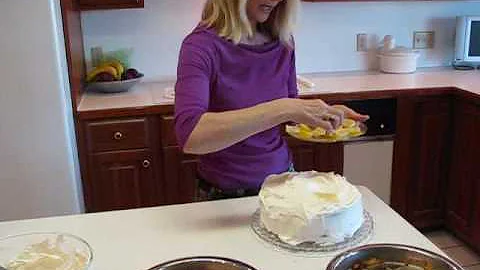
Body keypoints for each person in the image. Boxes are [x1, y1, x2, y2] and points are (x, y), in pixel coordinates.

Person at [174, 0, 369, 200]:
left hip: (283, 184)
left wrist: (322, 115)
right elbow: (191, 136)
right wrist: (285, 108)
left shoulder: (283, 43)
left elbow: (290, 115)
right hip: (222, 194)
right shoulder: (200, 46)